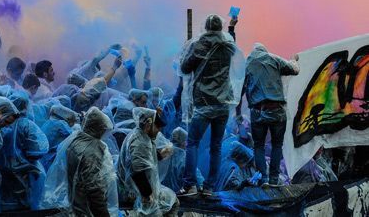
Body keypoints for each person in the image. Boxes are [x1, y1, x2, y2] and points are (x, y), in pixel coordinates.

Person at [180, 14, 237, 196]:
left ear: (206, 27)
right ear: (220, 28)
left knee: (193, 142)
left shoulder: (200, 46)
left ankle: (190, 185)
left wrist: (187, 49)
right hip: (223, 105)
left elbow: (184, 68)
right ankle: (210, 187)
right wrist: (232, 29)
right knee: (216, 146)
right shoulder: (228, 46)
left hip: (204, 104)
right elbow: (233, 44)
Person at [236, 43, 299, 186]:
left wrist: (238, 115)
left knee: (258, 146)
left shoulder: (247, 65)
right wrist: (294, 59)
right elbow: (295, 70)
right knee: (277, 145)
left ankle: (262, 179)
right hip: (277, 110)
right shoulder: (273, 59)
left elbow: (238, 94)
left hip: (257, 112)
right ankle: (274, 180)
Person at [43, 106, 117, 216]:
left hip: (76, 202)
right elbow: (93, 188)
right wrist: (103, 213)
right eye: (104, 130)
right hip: (87, 207)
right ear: (98, 128)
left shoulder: (76, 140)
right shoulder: (92, 150)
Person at [118, 107, 179, 216]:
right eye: (157, 127)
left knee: (174, 202)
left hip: (147, 187)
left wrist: (160, 155)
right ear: (148, 125)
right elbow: (137, 171)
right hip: (138, 191)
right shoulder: (139, 142)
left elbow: (146, 158)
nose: (159, 130)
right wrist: (147, 195)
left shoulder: (143, 137)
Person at [0, 92, 49, 211]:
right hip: (23, 177)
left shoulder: (1, 123)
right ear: (25, 106)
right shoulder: (25, 124)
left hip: (2, 174)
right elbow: (39, 150)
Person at [40, 105, 78, 170]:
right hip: (48, 160)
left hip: (41, 157)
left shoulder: (48, 122)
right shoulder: (60, 124)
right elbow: (73, 136)